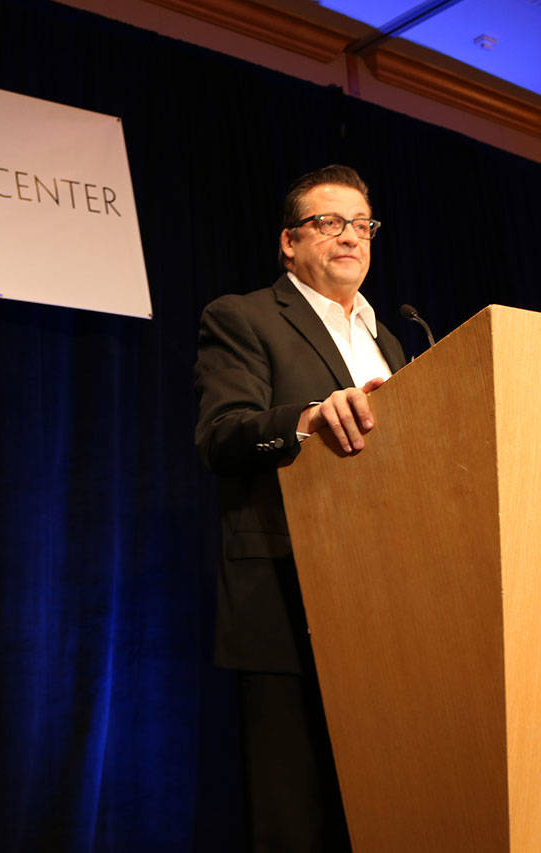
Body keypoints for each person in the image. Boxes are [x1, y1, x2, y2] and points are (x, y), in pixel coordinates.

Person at [193, 165, 407, 851]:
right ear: (289, 242)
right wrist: (311, 417)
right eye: (329, 221)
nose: (350, 235)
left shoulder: (392, 338)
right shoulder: (244, 316)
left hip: (388, 601)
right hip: (289, 595)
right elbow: (221, 433)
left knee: (380, 803)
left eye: (361, 223)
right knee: (296, 815)